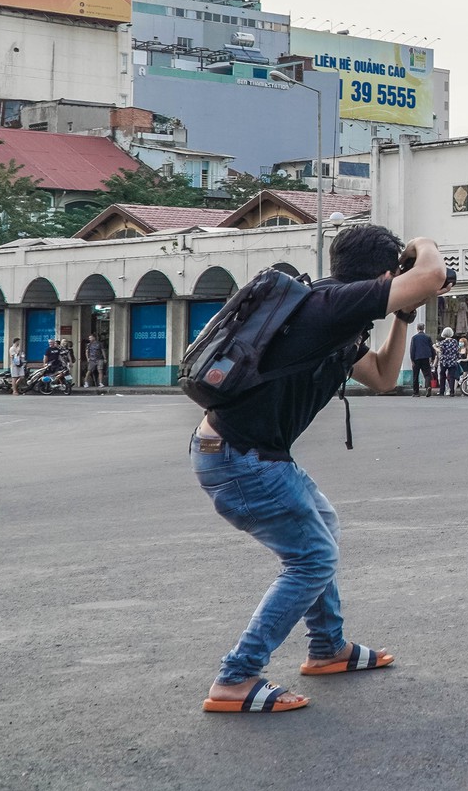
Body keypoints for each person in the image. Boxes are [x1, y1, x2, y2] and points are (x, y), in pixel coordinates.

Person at [192, 225, 448, 716]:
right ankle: (236, 677)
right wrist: (423, 245)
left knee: (321, 531)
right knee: (311, 559)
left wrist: (403, 316)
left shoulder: (331, 313)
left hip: (245, 450)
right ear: (386, 273)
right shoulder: (332, 306)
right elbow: (432, 272)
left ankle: (328, 647)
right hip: (240, 456)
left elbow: (383, 378)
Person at [435, 327, 463, 396]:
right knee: (451, 376)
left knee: (442, 376)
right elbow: (457, 351)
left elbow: (441, 351)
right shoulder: (455, 342)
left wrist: (434, 347)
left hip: (444, 361)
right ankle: (452, 392)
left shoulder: (443, 342)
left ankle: (442, 391)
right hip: (453, 360)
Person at [408, 324, 434, 397]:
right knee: (427, 374)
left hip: (416, 358)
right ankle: (428, 386)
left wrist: (412, 360)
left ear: (417, 328)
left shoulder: (414, 338)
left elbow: (412, 349)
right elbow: (431, 348)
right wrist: (433, 357)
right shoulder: (427, 337)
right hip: (426, 357)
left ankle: (416, 392)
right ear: (424, 328)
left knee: (415, 375)